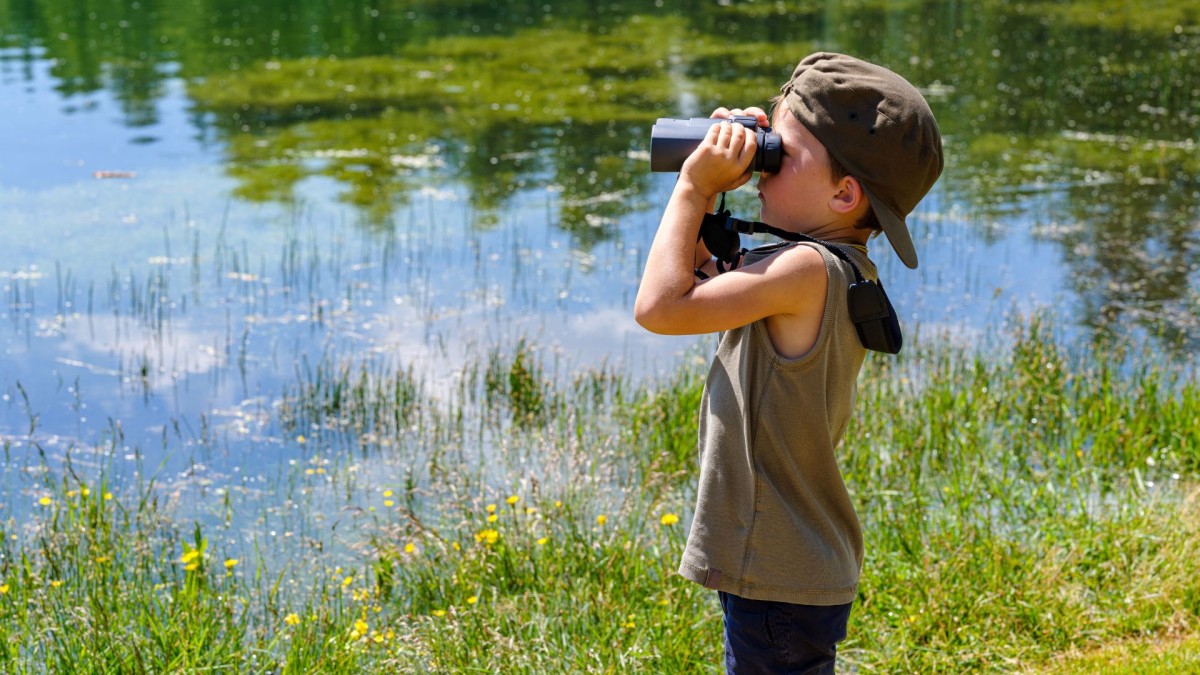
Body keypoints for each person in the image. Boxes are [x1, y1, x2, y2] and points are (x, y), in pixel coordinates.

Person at [634, 52, 943, 673]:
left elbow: (661, 307)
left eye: (779, 152)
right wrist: (710, 195)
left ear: (843, 192)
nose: (761, 163)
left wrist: (695, 185)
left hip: (777, 573)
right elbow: (697, 284)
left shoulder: (804, 270)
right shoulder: (828, 265)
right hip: (789, 565)